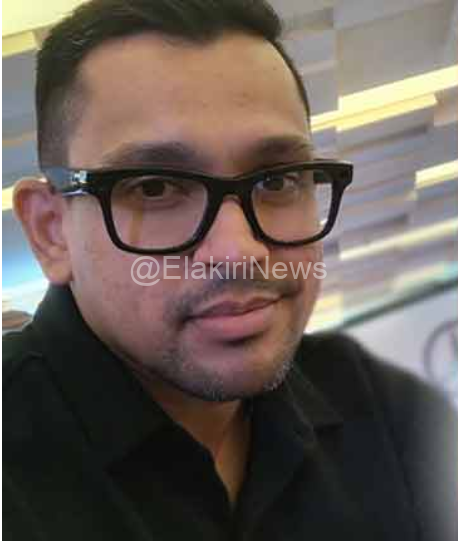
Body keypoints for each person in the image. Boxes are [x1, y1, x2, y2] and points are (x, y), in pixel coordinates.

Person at [3, 1, 457, 540]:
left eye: (277, 181)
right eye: (155, 188)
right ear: (51, 230)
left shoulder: (381, 408)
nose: (240, 252)